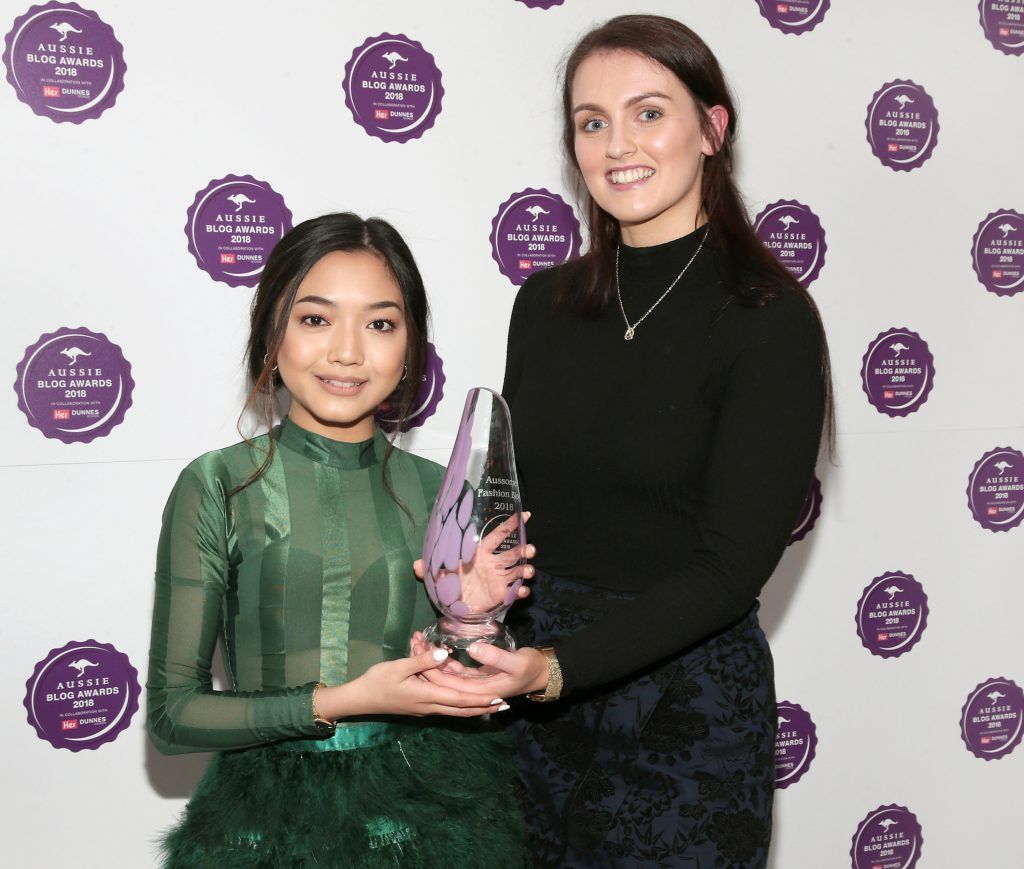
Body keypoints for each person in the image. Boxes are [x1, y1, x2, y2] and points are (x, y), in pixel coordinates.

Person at [418, 14, 831, 867]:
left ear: (712, 129)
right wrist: (470, 601)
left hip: (684, 713)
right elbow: (518, 509)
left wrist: (552, 667)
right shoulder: (543, 303)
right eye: (591, 121)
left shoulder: (768, 320)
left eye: (649, 112)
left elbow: (727, 569)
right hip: (528, 702)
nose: (617, 145)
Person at [146, 213, 530, 868]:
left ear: (412, 344)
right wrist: (348, 701)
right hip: (261, 835)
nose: (347, 351)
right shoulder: (218, 485)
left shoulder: (446, 493)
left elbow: (468, 700)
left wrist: (473, 627)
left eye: (380, 323)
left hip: (427, 830)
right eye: (316, 319)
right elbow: (174, 713)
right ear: (274, 330)